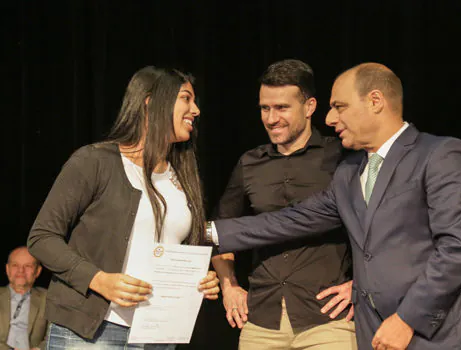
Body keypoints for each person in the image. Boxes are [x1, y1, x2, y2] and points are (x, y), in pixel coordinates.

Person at [208, 62, 461, 349]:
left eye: (340, 106)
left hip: (443, 334)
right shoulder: (349, 173)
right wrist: (202, 232)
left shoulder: (440, 154)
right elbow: (287, 221)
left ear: (375, 101)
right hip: (377, 335)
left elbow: (459, 249)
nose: (329, 119)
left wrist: (407, 318)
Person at [27, 66, 220, 350]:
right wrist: (98, 280)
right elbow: (41, 238)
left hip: (158, 336)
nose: (196, 110)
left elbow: (179, 250)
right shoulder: (95, 161)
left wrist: (200, 279)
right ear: (150, 102)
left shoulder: (182, 177)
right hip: (91, 333)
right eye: (186, 98)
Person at [211, 59, 357, 349]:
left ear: (310, 106)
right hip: (262, 320)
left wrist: (361, 286)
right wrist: (230, 286)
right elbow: (220, 233)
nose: (271, 118)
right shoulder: (249, 162)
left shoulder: (340, 156)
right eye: (265, 108)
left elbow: (374, 226)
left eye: (282, 108)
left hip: (328, 320)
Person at [1, 247, 47, 350]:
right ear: (7, 269)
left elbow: (55, 334)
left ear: (37, 271)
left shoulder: (47, 299)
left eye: (28, 266)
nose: (21, 271)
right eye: (15, 265)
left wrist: (39, 349)